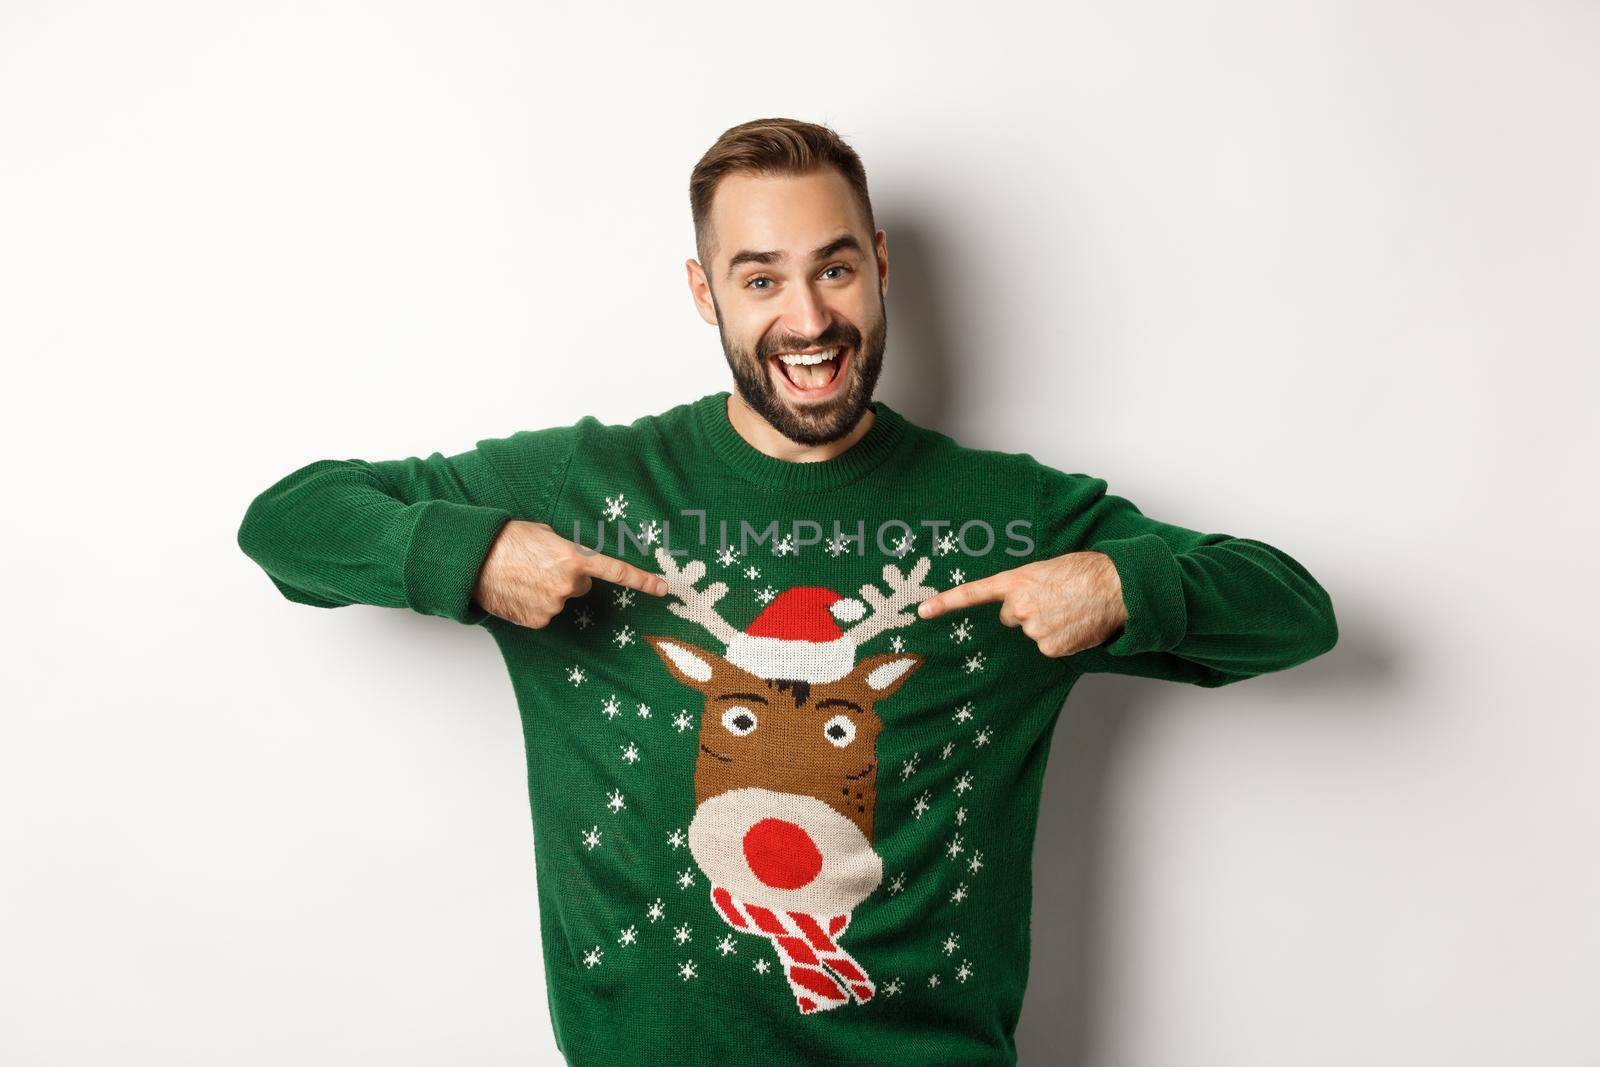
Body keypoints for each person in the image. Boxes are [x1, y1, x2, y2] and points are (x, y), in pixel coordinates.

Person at [237, 116, 1337, 1066]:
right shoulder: (591, 487)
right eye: (759, 277)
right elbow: (286, 522)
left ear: (881, 264)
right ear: (702, 289)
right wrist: (470, 554)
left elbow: (1293, 609)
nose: (808, 319)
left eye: (835, 267)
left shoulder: (1009, 514)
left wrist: (1119, 581)